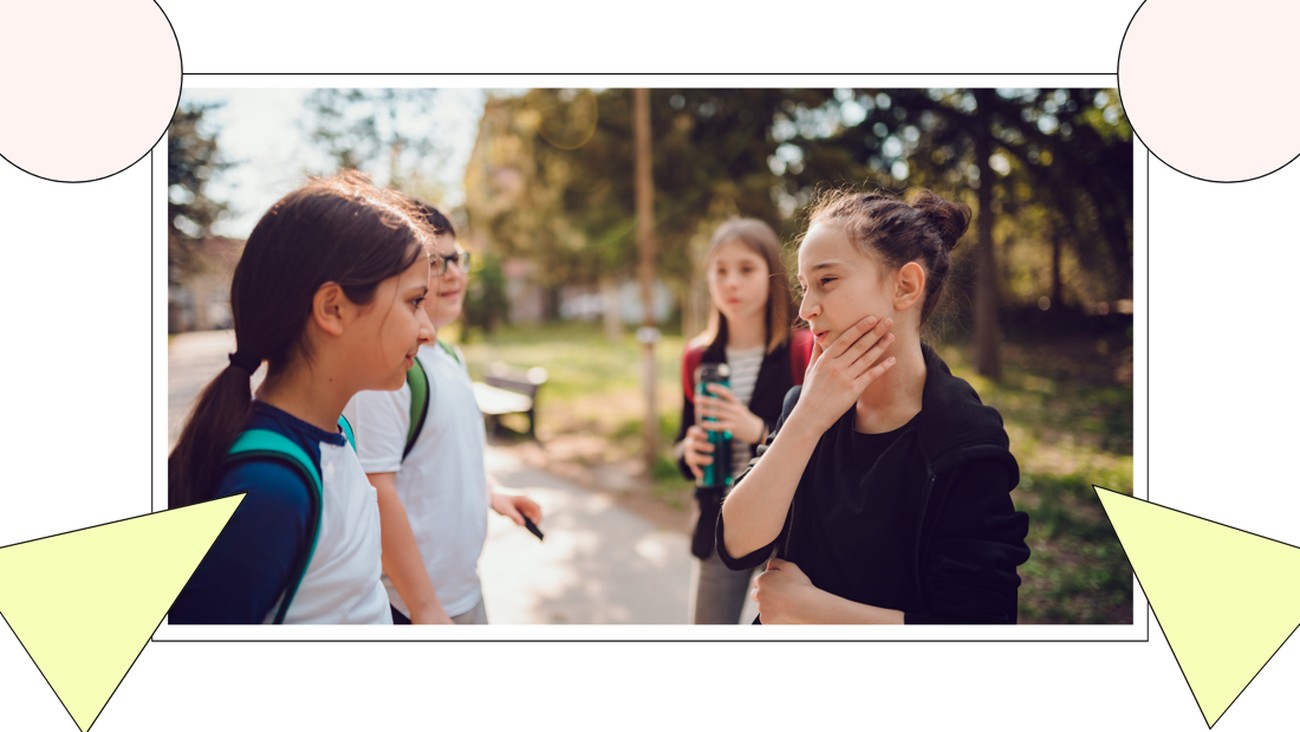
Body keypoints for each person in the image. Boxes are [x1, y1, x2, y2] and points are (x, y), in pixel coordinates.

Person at [717, 188, 1030, 624]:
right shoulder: (805, 408)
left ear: (905, 286)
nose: (806, 309)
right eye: (804, 287)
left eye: (827, 281)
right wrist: (806, 419)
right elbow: (736, 543)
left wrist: (811, 611)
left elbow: (979, 628)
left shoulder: (964, 441)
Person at [168, 172, 435, 624]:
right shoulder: (271, 490)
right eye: (414, 302)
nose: (427, 330)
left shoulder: (336, 433)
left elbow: (349, 599)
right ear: (333, 309)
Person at [344, 202, 541, 625]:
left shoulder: (450, 356)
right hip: (414, 606)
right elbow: (377, 491)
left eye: (457, 259)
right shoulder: (389, 372)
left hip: (462, 590)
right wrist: (424, 607)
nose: (453, 273)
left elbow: (449, 456)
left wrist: (494, 494)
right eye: (436, 262)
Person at [673, 217, 811, 624]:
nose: (731, 282)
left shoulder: (803, 351)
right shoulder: (697, 357)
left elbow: (825, 449)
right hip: (720, 527)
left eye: (746, 269)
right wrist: (688, 452)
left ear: (773, 275)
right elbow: (681, 442)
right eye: (720, 270)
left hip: (789, 535)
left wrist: (759, 433)